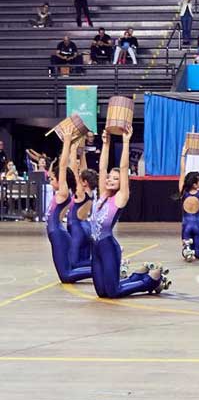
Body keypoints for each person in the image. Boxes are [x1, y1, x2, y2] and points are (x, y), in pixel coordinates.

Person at [92, 127, 170, 298]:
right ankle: (137, 276)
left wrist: (126, 141)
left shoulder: (120, 198)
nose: (110, 180)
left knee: (113, 292)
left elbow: (124, 167)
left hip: (108, 247)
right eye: (109, 178)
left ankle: (150, 281)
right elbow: (102, 168)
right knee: (101, 293)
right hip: (96, 248)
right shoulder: (103, 194)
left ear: (122, 182)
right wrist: (106, 143)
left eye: (116, 179)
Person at [45, 128, 92, 283]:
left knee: (66, 275)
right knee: (69, 270)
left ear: (61, 180)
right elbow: (71, 169)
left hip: (58, 233)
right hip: (57, 233)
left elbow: (64, 166)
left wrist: (66, 142)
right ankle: (101, 267)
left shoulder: (63, 193)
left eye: (53, 179)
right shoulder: (64, 192)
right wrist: (75, 149)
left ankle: (102, 268)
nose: (51, 181)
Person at [68, 145, 97, 269]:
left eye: (81, 180)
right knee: (84, 261)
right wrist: (82, 153)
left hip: (77, 229)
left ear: (84, 182)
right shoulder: (90, 192)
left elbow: (74, 171)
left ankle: (106, 262)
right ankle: (103, 264)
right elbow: (84, 172)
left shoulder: (81, 193)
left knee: (74, 263)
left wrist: (73, 150)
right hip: (86, 227)